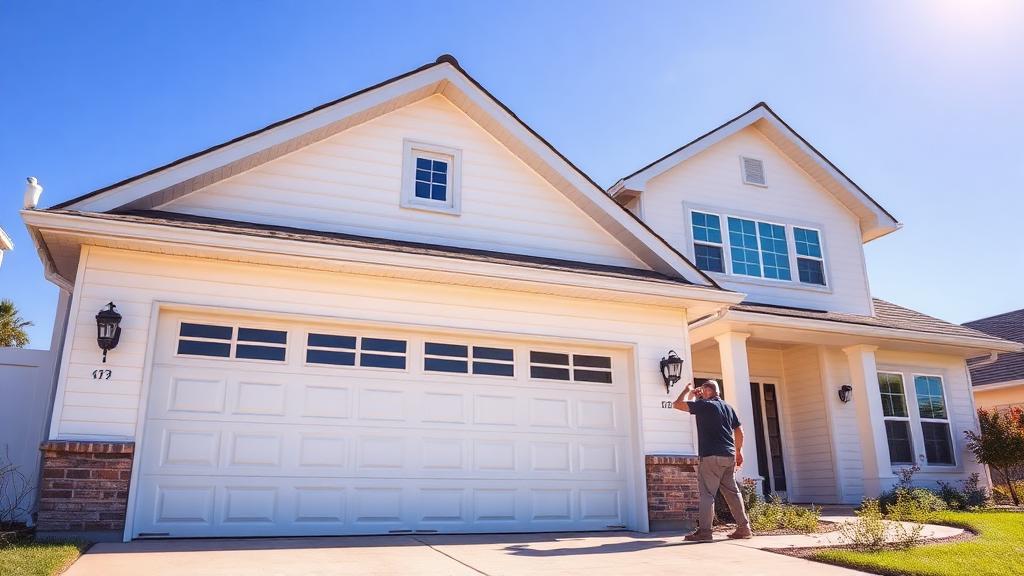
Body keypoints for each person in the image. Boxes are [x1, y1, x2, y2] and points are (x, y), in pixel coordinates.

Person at [672, 379, 752, 542]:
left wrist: (688, 391)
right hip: (729, 456)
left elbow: (677, 404)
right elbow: (739, 430)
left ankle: (705, 532)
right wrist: (738, 452)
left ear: (708, 390)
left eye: (703, 389)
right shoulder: (728, 408)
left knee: (707, 494)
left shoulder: (705, 406)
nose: (700, 391)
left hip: (711, 457)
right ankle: (744, 528)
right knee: (733, 493)